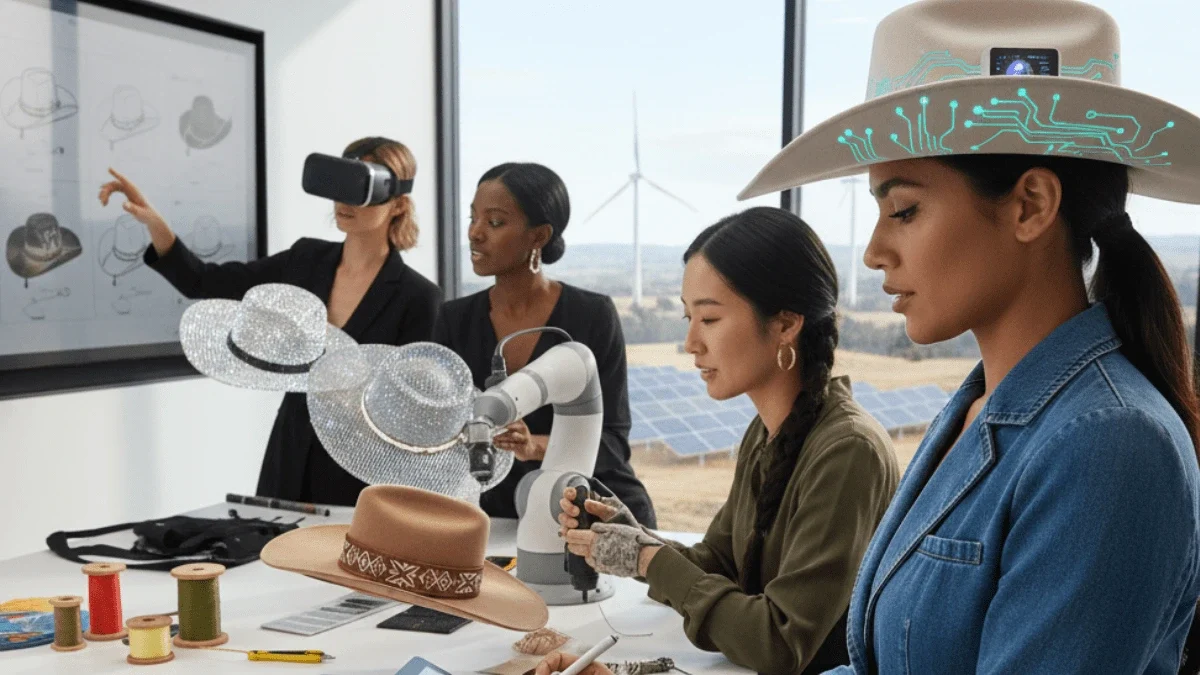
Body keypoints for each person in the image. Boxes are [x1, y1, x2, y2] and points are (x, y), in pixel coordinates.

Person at [732, 1, 1200, 672]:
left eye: (905, 209)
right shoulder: (984, 408)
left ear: (1030, 205)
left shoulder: (1108, 443)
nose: (872, 251)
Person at [554, 207, 900, 674]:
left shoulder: (848, 452)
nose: (691, 342)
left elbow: (778, 644)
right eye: (687, 317)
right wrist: (631, 537)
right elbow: (718, 564)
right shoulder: (767, 432)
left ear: (784, 324)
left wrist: (650, 559)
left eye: (710, 319)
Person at [98, 136, 442, 506]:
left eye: (361, 188)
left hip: (361, 474)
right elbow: (204, 280)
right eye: (340, 183)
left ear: (398, 204)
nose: (344, 200)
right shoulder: (305, 259)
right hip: (290, 455)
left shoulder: (418, 297)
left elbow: (414, 414)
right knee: (273, 560)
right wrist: (154, 221)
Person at [432, 162, 656, 526]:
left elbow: (613, 442)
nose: (474, 233)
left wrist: (533, 445)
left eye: (494, 222)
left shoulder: (593, 314)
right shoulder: (453, 319)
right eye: (472, 218)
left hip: (584, 511)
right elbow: (440, 435)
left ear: (539, 236)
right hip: (492, 513)